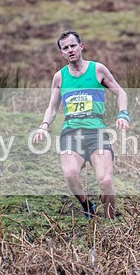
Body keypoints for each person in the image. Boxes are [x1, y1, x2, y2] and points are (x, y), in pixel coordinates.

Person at [33, 30, 130, 219]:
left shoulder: (98, 70)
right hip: (70, 133)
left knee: (106, 181)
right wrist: (44, 126)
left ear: (81, 46)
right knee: (70, 174)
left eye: (73, 46)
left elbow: (121, 93)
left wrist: (123, 114)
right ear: (62, 53)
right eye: (65, 48)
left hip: (96, 132)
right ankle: (87, 206)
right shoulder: (59, 77)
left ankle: (110, 220)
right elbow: (52, 109)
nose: (70, 50)